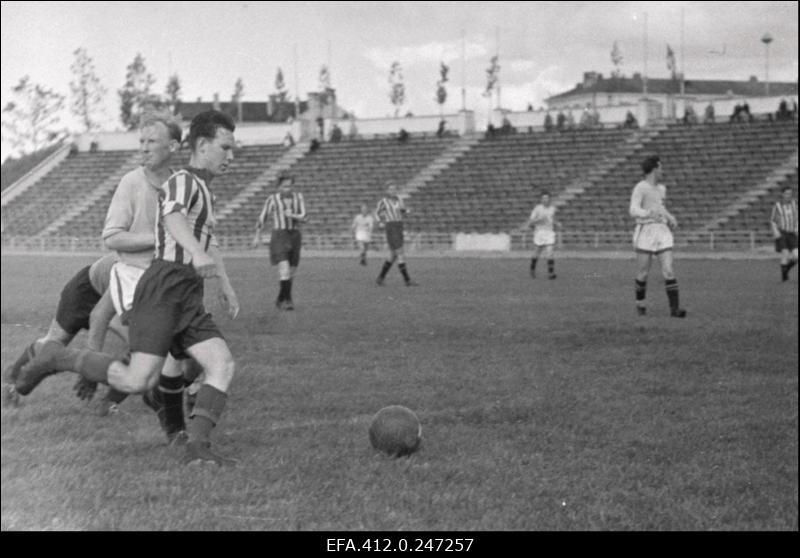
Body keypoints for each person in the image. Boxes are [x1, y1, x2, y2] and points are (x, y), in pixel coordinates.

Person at [17, 110, 242, 466]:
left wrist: (225, 284)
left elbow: (207, 240)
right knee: (139, 380)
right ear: (202, 145)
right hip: (163, 289)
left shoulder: (205, 191)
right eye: (226, 147)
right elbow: (171, 218)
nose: (232, 156)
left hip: (186, 293)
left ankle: (196, 448)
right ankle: (58, 357)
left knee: (221, 363)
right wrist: (195, 251)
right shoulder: (183, 181)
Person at [91, 112, 204, 437]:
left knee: (194, 357)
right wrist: (160, 238)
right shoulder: (131, 182)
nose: (143, 147)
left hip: (174, 280)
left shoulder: (182, 185)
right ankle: (175, 431)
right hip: (136, 278)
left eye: (151, 141)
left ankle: (141, 397)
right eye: (140, 141)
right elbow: (112, 237)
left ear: (172, 145)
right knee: (164, 354)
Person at [1, 254, 119, 408]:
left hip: (111, 296)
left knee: (139, 347)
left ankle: (109, 403)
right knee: (53, 342)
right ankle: (11, 378)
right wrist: (90, 369)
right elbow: (98, 318)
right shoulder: (139, 262)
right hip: (84, 292)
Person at [629, 155, 687, 318]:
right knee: (643, 274)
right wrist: (647, 213)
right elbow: (633, 210)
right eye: (660, 167)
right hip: (646, 230)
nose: (663, 171)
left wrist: (670, 217)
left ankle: (674, 310)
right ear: (654, 169)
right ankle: (640, 304)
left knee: (668, 270)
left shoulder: (661, 189)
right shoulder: (641, 187)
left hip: (661, 231)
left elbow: (660, 207)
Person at [252, 173, 307, 310]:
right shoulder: (272, 199)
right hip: (279, 236)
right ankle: (288, 301)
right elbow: (262, 218)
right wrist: (257, 236)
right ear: (279, 187)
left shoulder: (298, 197)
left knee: (292, 271)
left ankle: (280, 298)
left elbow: (305, 217)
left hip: (294, 235)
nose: (287, 189)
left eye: (290, 186)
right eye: (284, 186)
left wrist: (293, 215)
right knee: (284, 268)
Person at [375, 182, 417, 287]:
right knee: (400, 252)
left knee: (392, 255)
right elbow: (376, 213)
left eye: (394, 189)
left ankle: (380, 278)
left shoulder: (400, 200)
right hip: (391, 227)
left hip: (399, 226)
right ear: (387, 191)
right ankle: (407, 280)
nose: (393, 191)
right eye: (391, 189)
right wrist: (380, 222)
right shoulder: (383, 201)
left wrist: (407, 211)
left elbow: (402, 211)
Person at [522, 191, 560, 279]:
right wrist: (539, 220)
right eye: (543, 198)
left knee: (550, 253)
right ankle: (532, 269)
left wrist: (557, 223)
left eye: (547, 198)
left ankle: (551, 273)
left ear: (549, 199)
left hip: (549, 233)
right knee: (536, 253)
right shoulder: (537, 209)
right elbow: (530, 222)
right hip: (539, 233)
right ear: (541, 199)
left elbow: (553, 219)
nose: (545, 200)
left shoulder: (552, 209)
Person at [770, 186, 798, 282]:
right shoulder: (777, 206)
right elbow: (772, 220)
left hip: (792, 233)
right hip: (782, 233)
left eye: (790, 194)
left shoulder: (794, 204)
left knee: (797, 256)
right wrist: (776, 231)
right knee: (785, 253)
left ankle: (786, 270)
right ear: (782, 194)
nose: (788, 196)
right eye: (786, 193)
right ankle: (784, 278)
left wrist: (797, 227)